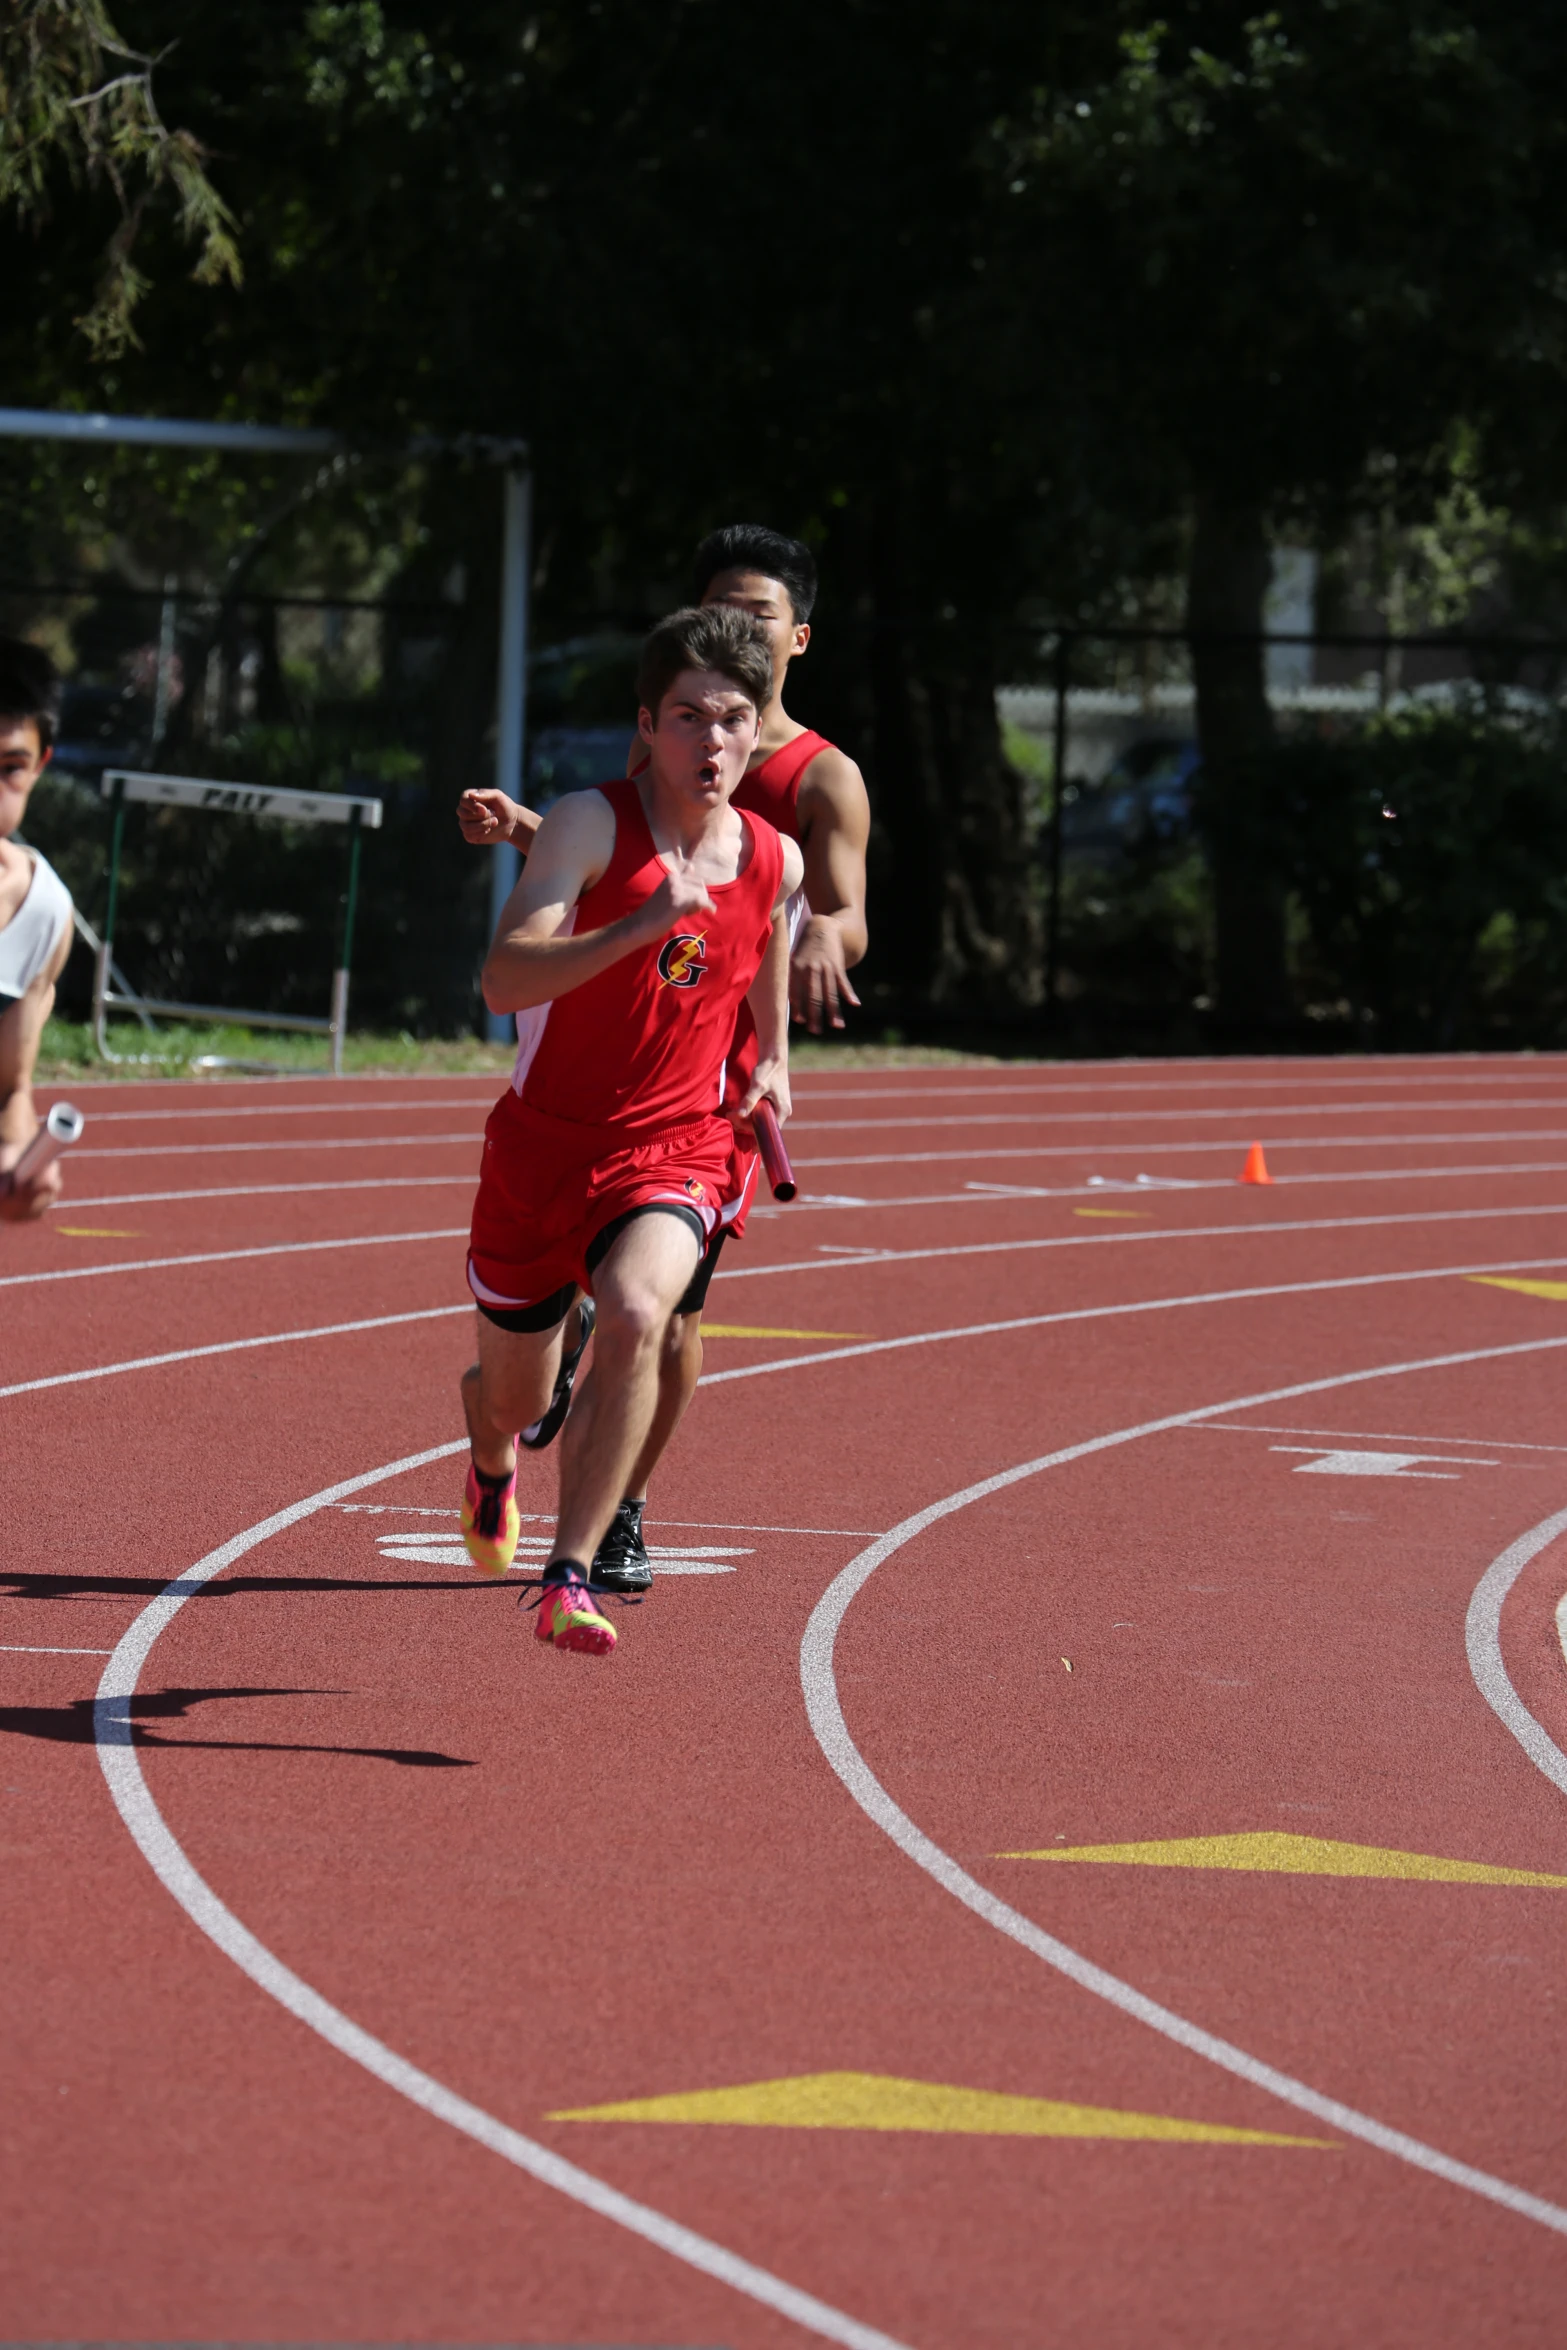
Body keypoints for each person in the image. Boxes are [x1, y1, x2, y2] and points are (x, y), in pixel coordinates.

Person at [456, 527, 871, 1595]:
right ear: (654, 720)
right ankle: (500, 1440)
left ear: (797, 639)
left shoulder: (820, 784)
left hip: (694, 1117)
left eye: (763, 613)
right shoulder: (642, 766)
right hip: (558, 1121)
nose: (712, 734)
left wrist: (804, 983)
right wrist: (542, 844)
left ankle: (594, 1541)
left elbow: (807, 911)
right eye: (689, 715)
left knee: (657, 1312)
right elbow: (634, 876)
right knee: (519, 1394)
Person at [0, 639, 75, 1224]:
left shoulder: (42, 910)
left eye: (9, 769)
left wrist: (17, 1163)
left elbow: (9, 1090)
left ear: (42, 762)